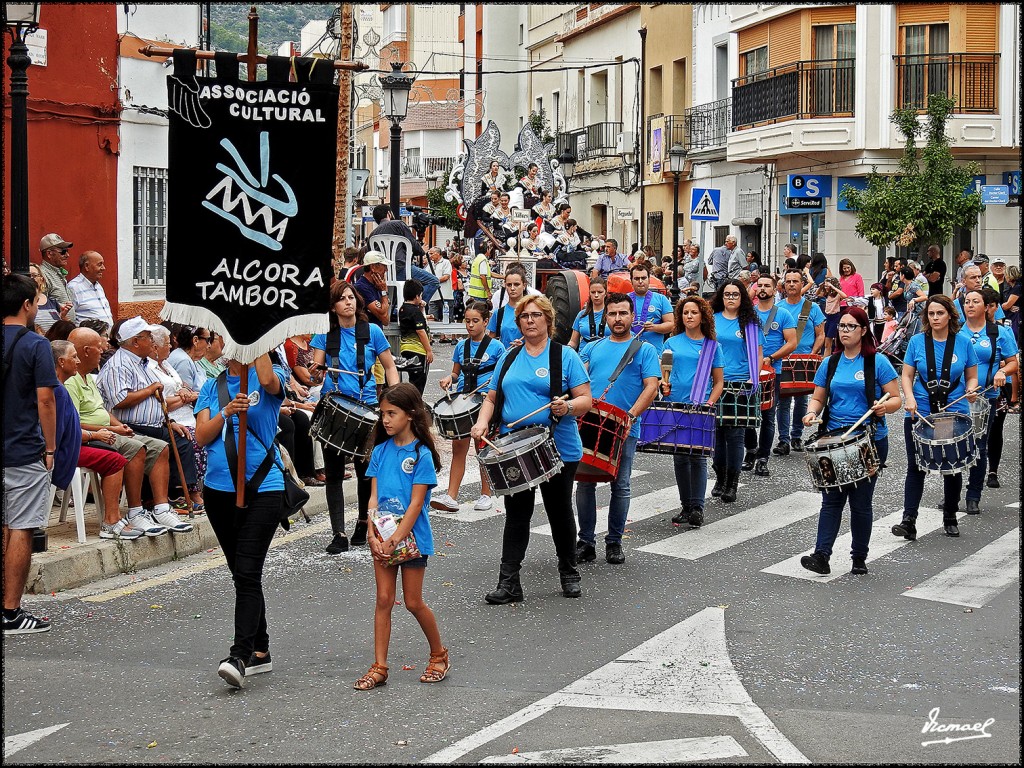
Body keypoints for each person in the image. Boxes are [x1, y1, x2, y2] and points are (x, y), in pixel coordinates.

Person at [470, 295, 592, 603]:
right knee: (517, 513)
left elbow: (585, 400)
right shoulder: (509, 357)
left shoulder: (565, 356)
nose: (530, 320)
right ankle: (509, 582)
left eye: (536, 315)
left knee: (559, 511)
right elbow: (492, 398)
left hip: (557, 446)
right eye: (524, 316)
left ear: (548, 320)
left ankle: (569, 572)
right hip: (513, 447)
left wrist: (567, 406)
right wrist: (482, 423)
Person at [195, 352, 286, 688]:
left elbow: (266, 381)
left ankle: (239, 655)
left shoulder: (272, 375)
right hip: (218, 492)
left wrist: (256, 337)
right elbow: (202, 435)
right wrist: (226, 412)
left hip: (263, 488)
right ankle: (261, 650)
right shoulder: (211, 385)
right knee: (241, 573)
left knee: (248, 572)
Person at [355, 383, 448, 690]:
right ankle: (379, 666)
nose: (385, 420)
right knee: (383, 599)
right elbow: (373, 498)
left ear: (410, 415)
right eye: (383, 414)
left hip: (412, 538)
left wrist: (395, 538)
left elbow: (416, 503)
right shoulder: (380, 451)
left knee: (412, 601)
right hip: (382, 536)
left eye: (392, 413)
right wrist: (372, 533)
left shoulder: (420, 454)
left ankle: (438, 654)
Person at [799, 306, 902, 576]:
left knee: (860, 501)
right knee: (831, 500)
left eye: (850, 326)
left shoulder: (877, 362)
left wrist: (884, 408)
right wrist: (811, 413)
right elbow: (818, 397)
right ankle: (821, 555)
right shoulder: (829, 362)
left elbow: (895, 398)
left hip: (869, 438)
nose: (844, 331)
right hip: (835, 438)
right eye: (841, 326)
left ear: (863, 330)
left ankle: (859, 557)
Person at [311, 281, 400, 554]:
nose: (348, 302)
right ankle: (338, 532)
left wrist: (392, 398)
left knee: (365, 473)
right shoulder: (325, 334)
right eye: (342, 298)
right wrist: (314, 373)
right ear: (333, 306)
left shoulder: (372, 331)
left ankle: (363, 521)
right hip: (335, 407)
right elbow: (315, 371)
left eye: (351, 297)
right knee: (335, 473)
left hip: (368, 408)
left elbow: (389, 366)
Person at [575, 293, 660, 564]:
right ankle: (586, 541)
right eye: (612, 314)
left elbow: (652, 386)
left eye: (623, 313)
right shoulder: (594, 347)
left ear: (632, 317)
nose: (618, 318)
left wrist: (631, 417)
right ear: (606, 317)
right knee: (585, 483)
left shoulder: (644, 350)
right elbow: (577, 379)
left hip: (624, 427)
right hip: (590, 424)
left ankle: (614, 542)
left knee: (620, 486)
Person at [66, 326, 179, 527]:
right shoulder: (72, 381)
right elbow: (73, 424)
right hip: (91, 436)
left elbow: (102, 411)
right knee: (135, 449)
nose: (103, 351)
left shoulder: (86, 376)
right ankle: (135, 511)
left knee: (160, 447)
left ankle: (161, 508)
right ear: (85, 351)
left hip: (111, 430)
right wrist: (115, 430)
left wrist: (120, 426)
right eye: (99, 348)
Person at [894, 295, 978, 541]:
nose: (935, 318)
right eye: (931, 314)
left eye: (940, 313)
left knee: (951, 465)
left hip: (952, 413)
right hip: (921, 412)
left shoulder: (962, 343)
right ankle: (909, 520)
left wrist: (971, 388)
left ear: (950, 315)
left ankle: (950, 515)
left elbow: (971, 375)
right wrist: (908, 398)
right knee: (915, 465)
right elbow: (907, 376)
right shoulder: (917, 342)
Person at [97, 317, 199, 517]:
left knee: (182, 439)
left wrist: (169, 421)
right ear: (135, 342)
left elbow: (157, 400)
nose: (153, 341)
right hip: (130, 425)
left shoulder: (143, 363)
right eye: (148, 336)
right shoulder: (119, 364)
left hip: (155, 423)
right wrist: (150, 389)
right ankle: (153, 500)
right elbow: (120, 399)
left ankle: (177, 495)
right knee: (158, 444)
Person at [3, 274, 58, 634]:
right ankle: (10, 611)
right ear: (26, 305)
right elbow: (46, 400)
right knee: (21, 527)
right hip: (22, 449)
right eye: (37, 300)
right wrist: (51, 447)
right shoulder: (36, 345)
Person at [50, 340, 142, 539]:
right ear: (61, 362)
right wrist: (95, 435)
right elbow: (65, 432)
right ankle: (111, 522)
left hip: (71, 444)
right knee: (115, 460)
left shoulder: (60, 387)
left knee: (116, 454)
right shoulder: (56, 390)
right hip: (63, 450)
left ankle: (116, 516)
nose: (77, 361)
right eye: (73, 357)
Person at [434, 301, 506, 513]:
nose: (470, 325)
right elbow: (457, 373)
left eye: (475, 321)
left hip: (484, 403)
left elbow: (501, 377)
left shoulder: (496, 347)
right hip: (464, 402)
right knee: (459, 448)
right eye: (467, 321)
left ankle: (486, 494)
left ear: (486, 322)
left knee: (481, 447)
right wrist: (449, 378)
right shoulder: (460, 346)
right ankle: (451, 496)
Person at [661, 296, 724, 528]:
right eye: (685, 312)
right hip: (676, 405)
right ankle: (685, 506)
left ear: (702, 316)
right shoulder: (671, 343)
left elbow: (719, 382)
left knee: (697, 457)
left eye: (694, 312)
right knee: (680, 457)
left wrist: (709, 403)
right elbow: (664, 375)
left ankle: (697, 507)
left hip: (700, 407)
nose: (689, 316)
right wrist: (663, 386)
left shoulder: (712, 346)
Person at [958, 288, 1018, 514]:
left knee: (979, 447)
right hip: (957, 398)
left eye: (975, 301)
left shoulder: (998, 332)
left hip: (986, 398)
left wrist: (1002, 373)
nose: (970, 305)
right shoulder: (955, 332)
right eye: (966, 302)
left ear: (987, 307)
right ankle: (952, 495)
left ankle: (973, 495)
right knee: (955, 447)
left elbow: (1012, 362)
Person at [709, 279, 765, 504]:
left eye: (735, 294)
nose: (731, 298)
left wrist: (754, 376)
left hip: (741, 384)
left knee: (735, 436)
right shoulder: (711, 320)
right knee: (716, 436)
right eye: (727, 294)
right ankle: (720, 478)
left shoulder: (750, 323)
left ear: (742, 298)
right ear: (721, 297)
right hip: (715, 384)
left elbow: (759, 353)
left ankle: (732, 483)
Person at [149, 326, 206, 514]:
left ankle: (198, 490)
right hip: (169, 415)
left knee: (208, 434)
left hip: (185, 412)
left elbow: (182, 386)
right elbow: (160, 401)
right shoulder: (149, 367)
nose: (171, 347)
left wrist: (183, 393)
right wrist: (183, 397)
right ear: (155, 347)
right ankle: (187, 493)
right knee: (191, 439)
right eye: (167, 344)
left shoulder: (167, 364)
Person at [748, 274, 797, 473]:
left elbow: (792, 342)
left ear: (775, 289)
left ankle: (763, 457)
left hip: (772, 371)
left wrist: (772, 358)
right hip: (750, 370)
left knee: (768, 415)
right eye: (759, 285)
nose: (762, 289)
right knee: (746, 413)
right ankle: (751, 450)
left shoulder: (783, 314)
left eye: (767, 285)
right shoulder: (748, 313)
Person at [370, 204, 439, 304]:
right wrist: (422, 249)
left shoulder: (373, 235)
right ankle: (415, 306)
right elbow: (414, 247)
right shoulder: (398, 224)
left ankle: (396, 309)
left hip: (383, 275)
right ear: (389, 214)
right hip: (402, 268)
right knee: (433, 281)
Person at [627, 262, 674, 353]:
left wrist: (654, 327)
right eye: (636, 278)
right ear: (631, 281)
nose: (640, 281)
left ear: (649, 280)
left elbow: (671, 325)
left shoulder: (661, 299)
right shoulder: (624, 299)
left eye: (643, 278)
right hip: (628, 352)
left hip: (654, 352)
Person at [398, 280, 433, 394]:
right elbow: (421, 331)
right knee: (419, 382)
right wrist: (429, 351)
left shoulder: (403, 309)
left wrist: (421, 309)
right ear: (417, 296)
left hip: (405, 348)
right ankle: (415, 405)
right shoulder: (415, 312)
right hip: (418, 350)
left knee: (412, 379)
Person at [37, 233, 77, 324]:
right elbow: (41, 308)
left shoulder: (57, 273)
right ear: (49, 254)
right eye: (63, 252)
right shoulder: (43, 275)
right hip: (55, 331)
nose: (67, 255)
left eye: (67, 251)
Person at [67, 250, 113, 326]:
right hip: (87, 336)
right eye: (99, 264)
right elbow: (69, 318)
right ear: (87, 266)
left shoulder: (98, 286)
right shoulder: (73, 287)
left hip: (104, 337)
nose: (103, 268)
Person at [487, 265, 528, 349]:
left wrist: (525, 346)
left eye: (516, 284)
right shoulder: (499, 314)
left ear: (524, 286)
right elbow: (491, 342)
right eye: (509, 285)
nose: (512, 288)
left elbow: (541, 341)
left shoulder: (531, 312)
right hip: (504, 358)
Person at [27, 263, 70, 334]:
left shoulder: (52, 302)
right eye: (28, 276)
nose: (31, 278)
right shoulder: (21, 301)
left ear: (42, 279)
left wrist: (63, 317)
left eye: (34, 275)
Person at [569, 276, 608, 352]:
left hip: (606, 354)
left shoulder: (612, 314)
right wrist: (565, 351)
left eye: (600, 292)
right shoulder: (581, 314)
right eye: (593, 292)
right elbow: (573, 342)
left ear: (605, 293)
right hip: (584, 356)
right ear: (589, 293)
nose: (596, 295)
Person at [169, 326, 211, 393]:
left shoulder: (189, 359)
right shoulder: (183, 361)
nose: (209, 345)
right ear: (195, 340)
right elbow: (187, 396)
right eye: (208, 340)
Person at [425, 246, 454, 332]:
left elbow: (446, 276)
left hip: (445, 296)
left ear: (438, 254)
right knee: (431, 317)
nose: (430, 256)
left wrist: (434, 280)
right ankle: (430, 337)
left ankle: (445, 336)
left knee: (446, 319)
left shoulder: (446, 262)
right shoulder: (429, 265)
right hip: (433, 296)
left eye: (431, 253)